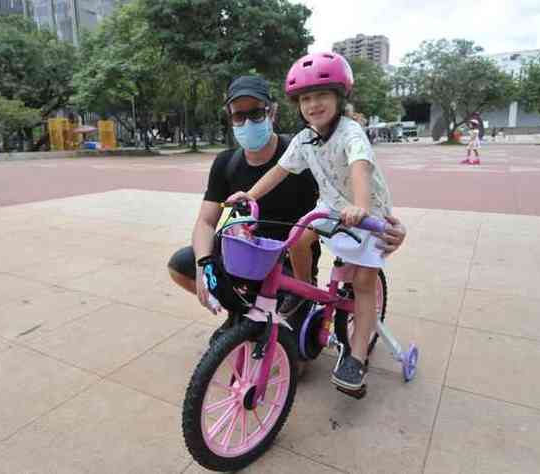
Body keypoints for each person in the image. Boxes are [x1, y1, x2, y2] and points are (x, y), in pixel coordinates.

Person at [166, 75, 407, 333]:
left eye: (256, 113)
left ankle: (286, 310)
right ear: (230, 118)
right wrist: (204, 266)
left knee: (293, 359)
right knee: (181, 265)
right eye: (239, 116)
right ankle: (241, 315)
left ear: (273, 112)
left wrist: (386, 226)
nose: (247, 122)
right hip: (244, 252)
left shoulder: (305, 151)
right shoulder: (226, 163)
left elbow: (351, 187)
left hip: (288, 262)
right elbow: (205, 221)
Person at [226, 52, 399, 391]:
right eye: (305, 98)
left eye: (321, 95)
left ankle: (357, 357)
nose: (313, 104)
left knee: (363, 284)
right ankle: (305, 291)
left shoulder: (351, 133)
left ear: (339, 96)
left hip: (367, 216)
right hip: (330, 207)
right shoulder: (305, 138)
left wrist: (361, 208)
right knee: (299, 237)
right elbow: (280, 170)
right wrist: (250, 195)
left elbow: (359, 167)